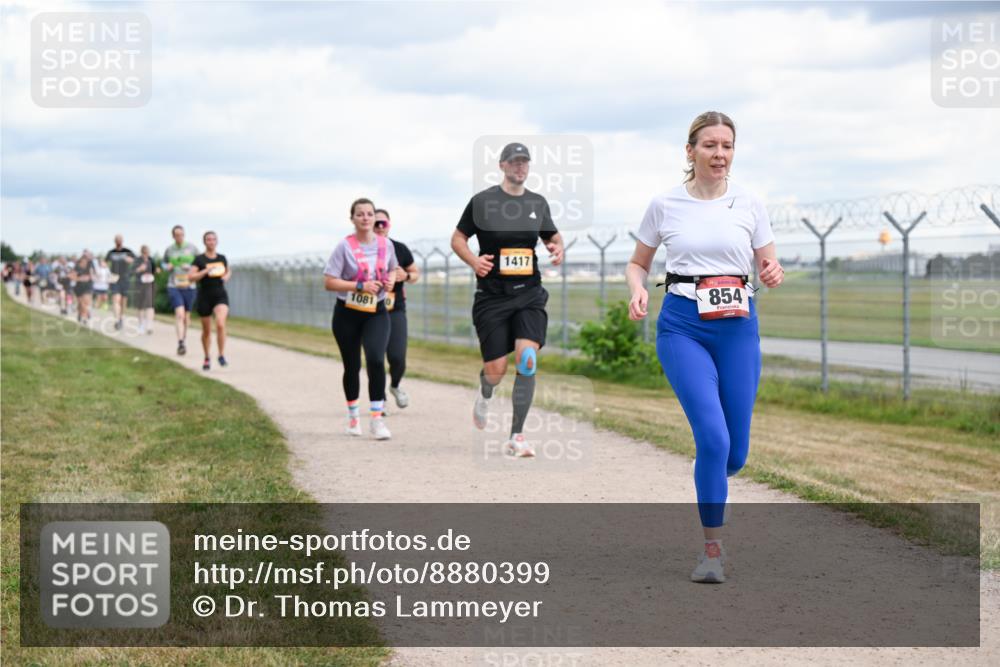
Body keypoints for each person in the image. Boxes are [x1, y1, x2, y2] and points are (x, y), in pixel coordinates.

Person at [625, 111, 784, 584]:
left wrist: (773, 273)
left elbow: (769, 264)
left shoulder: (750, 204)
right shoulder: (665, 204)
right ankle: (712, 552)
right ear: (690, 150)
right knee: (712, 440)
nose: (720, 154)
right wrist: (637, 288)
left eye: (727, 146)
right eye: (710, 145)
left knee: (734, 455)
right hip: (682, 325)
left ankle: (712, 478)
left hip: (737, 327)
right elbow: (638, 264)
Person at [451, 142, 564, 458]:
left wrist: (558, 247)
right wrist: (474, 261)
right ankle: (486, 392)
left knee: (527, 360)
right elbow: (457, 238)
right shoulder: (483, 202)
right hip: (492, 297)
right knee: (496, 369)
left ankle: (517, 435)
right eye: (514, 162)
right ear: (502, 165)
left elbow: (552, 236)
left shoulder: (536, 202)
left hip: (529, 293)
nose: (520, 167)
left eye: (524, 162)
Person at [323, 198, 397, 440]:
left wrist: (391, 280)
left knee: (376, 359)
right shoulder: (344, 247)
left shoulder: (386, 245)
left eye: (369, 213)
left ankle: (377, 419)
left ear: (375, 217)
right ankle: (353, 416)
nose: (366, 218)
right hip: (347, 312)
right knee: (352, 365)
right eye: (360, 214)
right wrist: (359, 285)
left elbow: (394, 269)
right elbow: (329, 281)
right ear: (352, 219)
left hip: (376, 312)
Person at [373, 208, 420, 411]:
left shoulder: (399, 249)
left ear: (389, 225)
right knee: (376, 356)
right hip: (371, 310)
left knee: (397, 357)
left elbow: (415, 273)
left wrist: (406, 276)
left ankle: (395, 386)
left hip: (395, 308)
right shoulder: (363, 250)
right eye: (376, 224)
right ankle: (379, 397)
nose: (380, 227)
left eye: (383, 223)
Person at [188, 231, 231, 371]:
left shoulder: (222, 258)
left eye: (213, 239)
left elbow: (228, 270)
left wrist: (226, 276)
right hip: (205, 296)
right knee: (206, 331)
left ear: (216, 241)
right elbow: (191, 277)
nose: (211, 242)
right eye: (208, 239)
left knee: (220, 324)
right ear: (204, 242)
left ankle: (221, 354)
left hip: (220, 295)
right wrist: (205, 271)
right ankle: (207, 357)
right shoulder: (199, 260)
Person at [163, 225, 199, 355]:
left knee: (186, 318)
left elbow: (200, 263)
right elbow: (163, 263)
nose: (179, 237)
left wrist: (189, 266)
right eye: (177, 235)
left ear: (184, 235)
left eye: (181, 234)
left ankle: (183, 339)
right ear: (173, 236)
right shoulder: (169, 250)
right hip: (174, 285)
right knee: (179, 314)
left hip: (189, 286)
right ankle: (180, 343)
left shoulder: (192, 248)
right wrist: (168, 266)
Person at [106, 235, 136, 331]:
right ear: (115, 241)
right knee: (116, 299)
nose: (118, 241)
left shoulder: (128, 251)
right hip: (114, 277)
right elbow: (104, 263)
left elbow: (136, 261)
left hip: (125, 278)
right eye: (117, 240)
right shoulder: (111, 252)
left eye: (120, 240)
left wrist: (129, 260)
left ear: (122, 241)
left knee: (123, 301)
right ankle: (117, 320)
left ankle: (121, 317)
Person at [133, 245, 159, 335]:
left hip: (150, 285)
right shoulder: (137, 260)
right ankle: (141, 325)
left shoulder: (151, 260)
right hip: (140, 285)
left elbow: (155, 270)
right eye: (144, 253)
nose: (146, 254)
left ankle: (149, 326)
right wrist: (139, 269)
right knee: (140, 306)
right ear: (141, 252)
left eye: (147, 253)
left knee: (150, 305)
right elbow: (132, 271)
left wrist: (157, 271)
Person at [70, 250, 96, 325]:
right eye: (84, 258)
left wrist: (90, 277)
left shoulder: (91, 264)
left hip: (88, 286)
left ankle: (85, 318)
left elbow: (92, 274)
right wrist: (79, 278)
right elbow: (72, 276)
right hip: (79, 287)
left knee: (85, 302)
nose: (86, 260)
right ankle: (80, 313)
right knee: (80, 303)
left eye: (87, 258)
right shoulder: (77, 266)